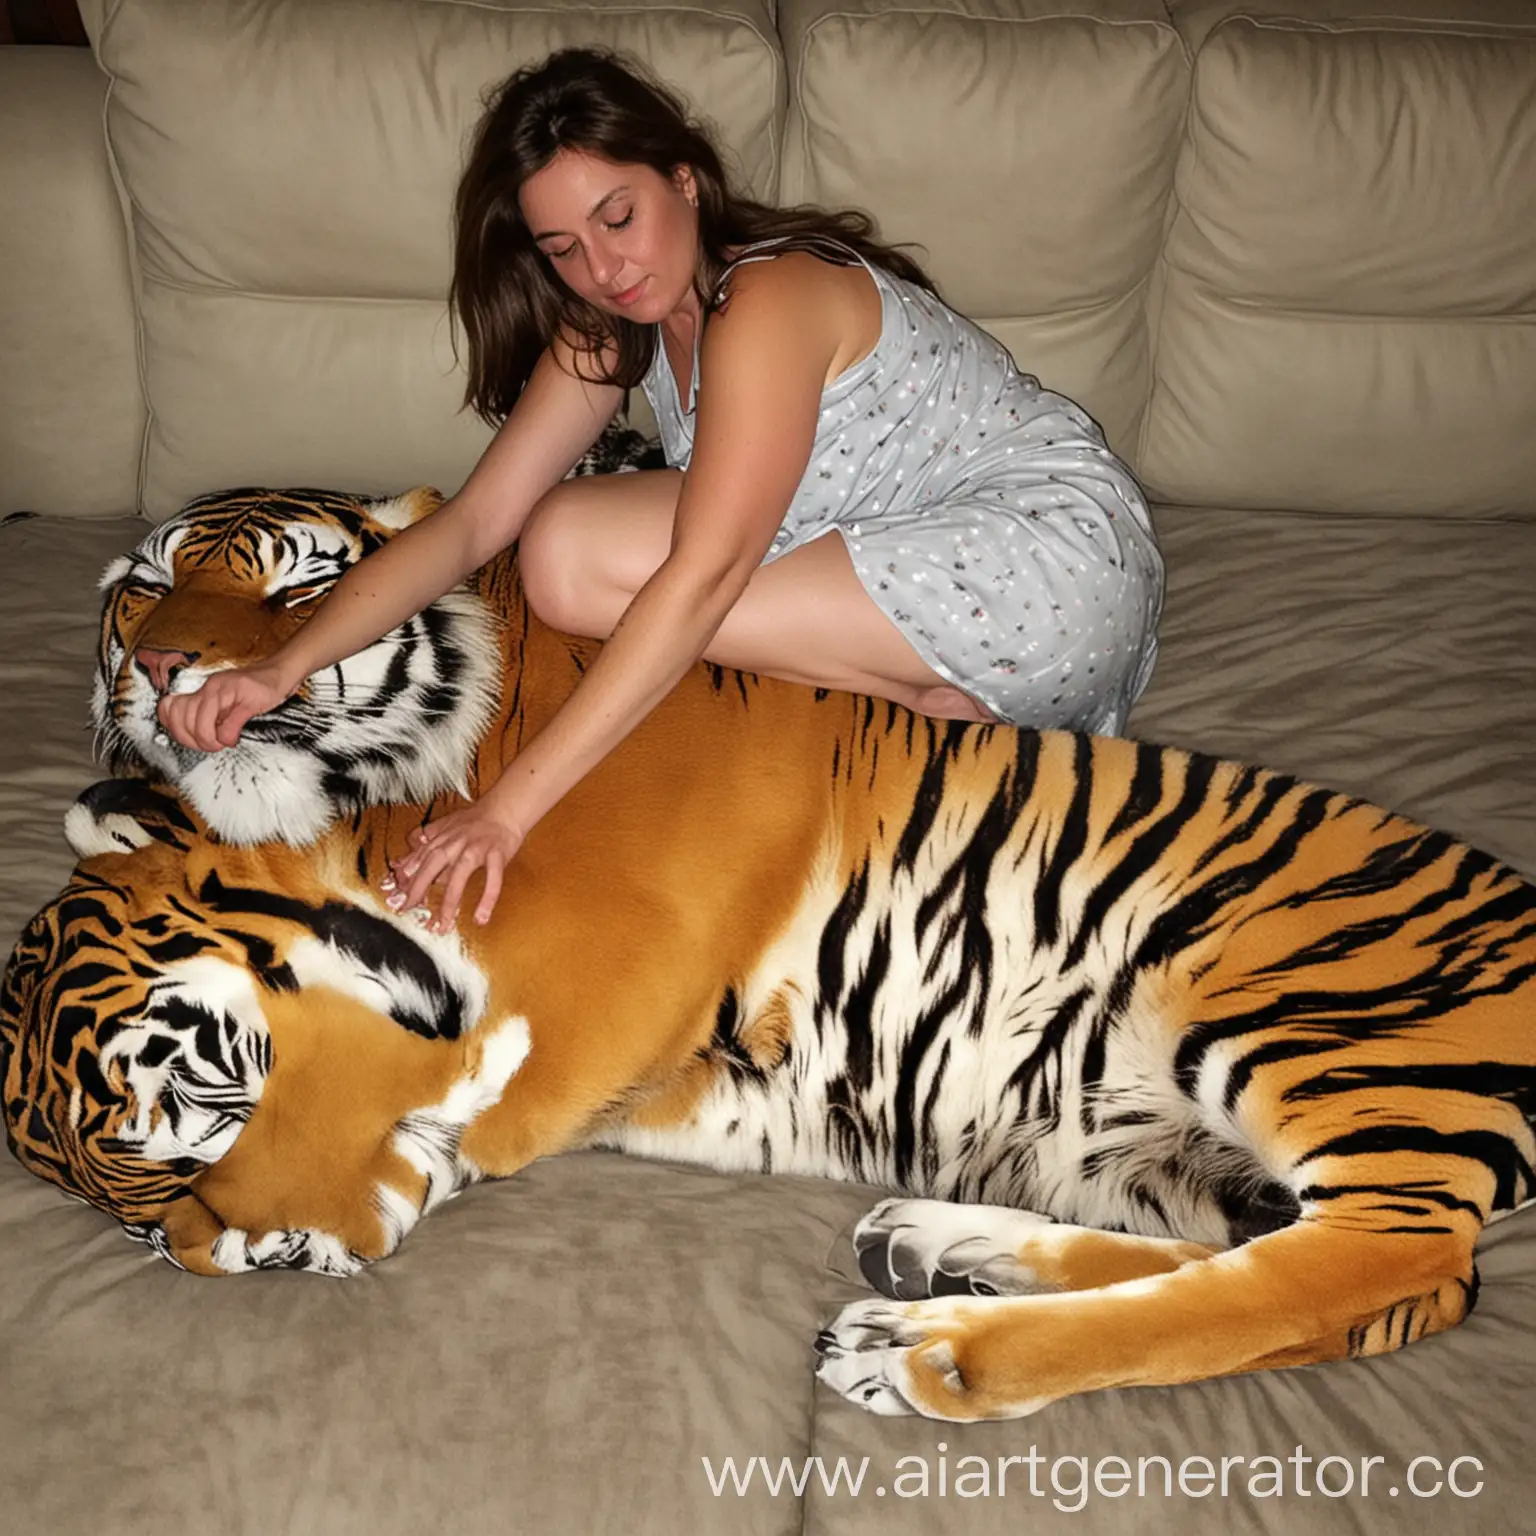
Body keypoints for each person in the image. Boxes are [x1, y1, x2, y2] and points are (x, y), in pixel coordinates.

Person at [157, 47, 1164, 934]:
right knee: (555, 548)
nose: (603, 268)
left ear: (685, 179)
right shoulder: (612, 325)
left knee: (613, 570)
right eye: (564, 249)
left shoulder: (767, 298)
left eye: (618, 217)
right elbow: (475, 524)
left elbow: (705, 577)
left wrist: (505, 811)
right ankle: (926, 703)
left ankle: (937, 705)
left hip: (1047, 559)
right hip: (926, 573)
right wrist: (280, 669)